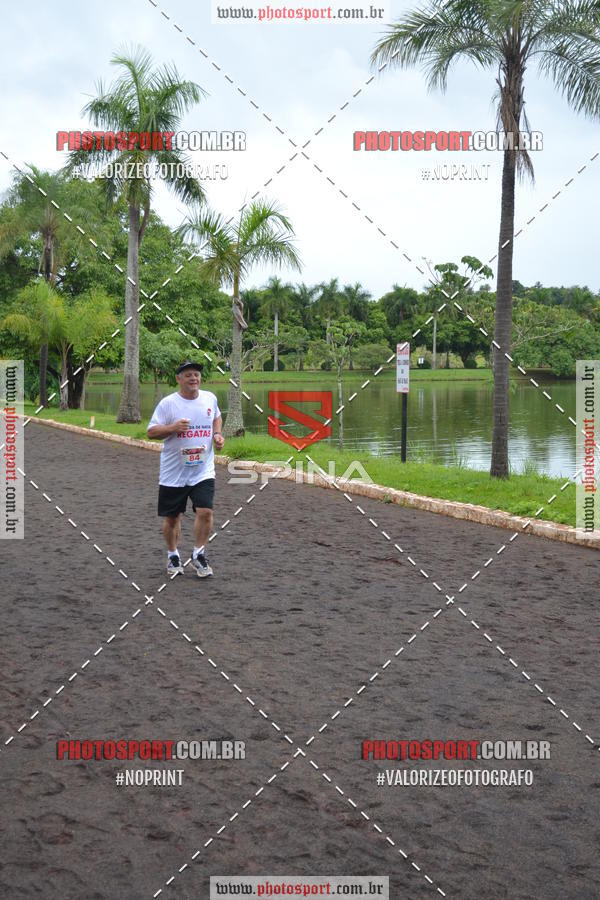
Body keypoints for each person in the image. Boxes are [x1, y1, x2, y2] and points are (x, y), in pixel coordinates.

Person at [147, 360, 225, 577]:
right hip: (174, 472)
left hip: (203, 470)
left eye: (197, 375)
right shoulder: (168, 404)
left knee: (206, 511)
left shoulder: (210, 398)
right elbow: (151, 432)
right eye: (188, 374)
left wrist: (217, 435)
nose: (194, 378)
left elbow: (216, 417)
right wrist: (173, 428)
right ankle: (173, 555)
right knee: (173, 518)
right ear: (178, 379)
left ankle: (198, 554)